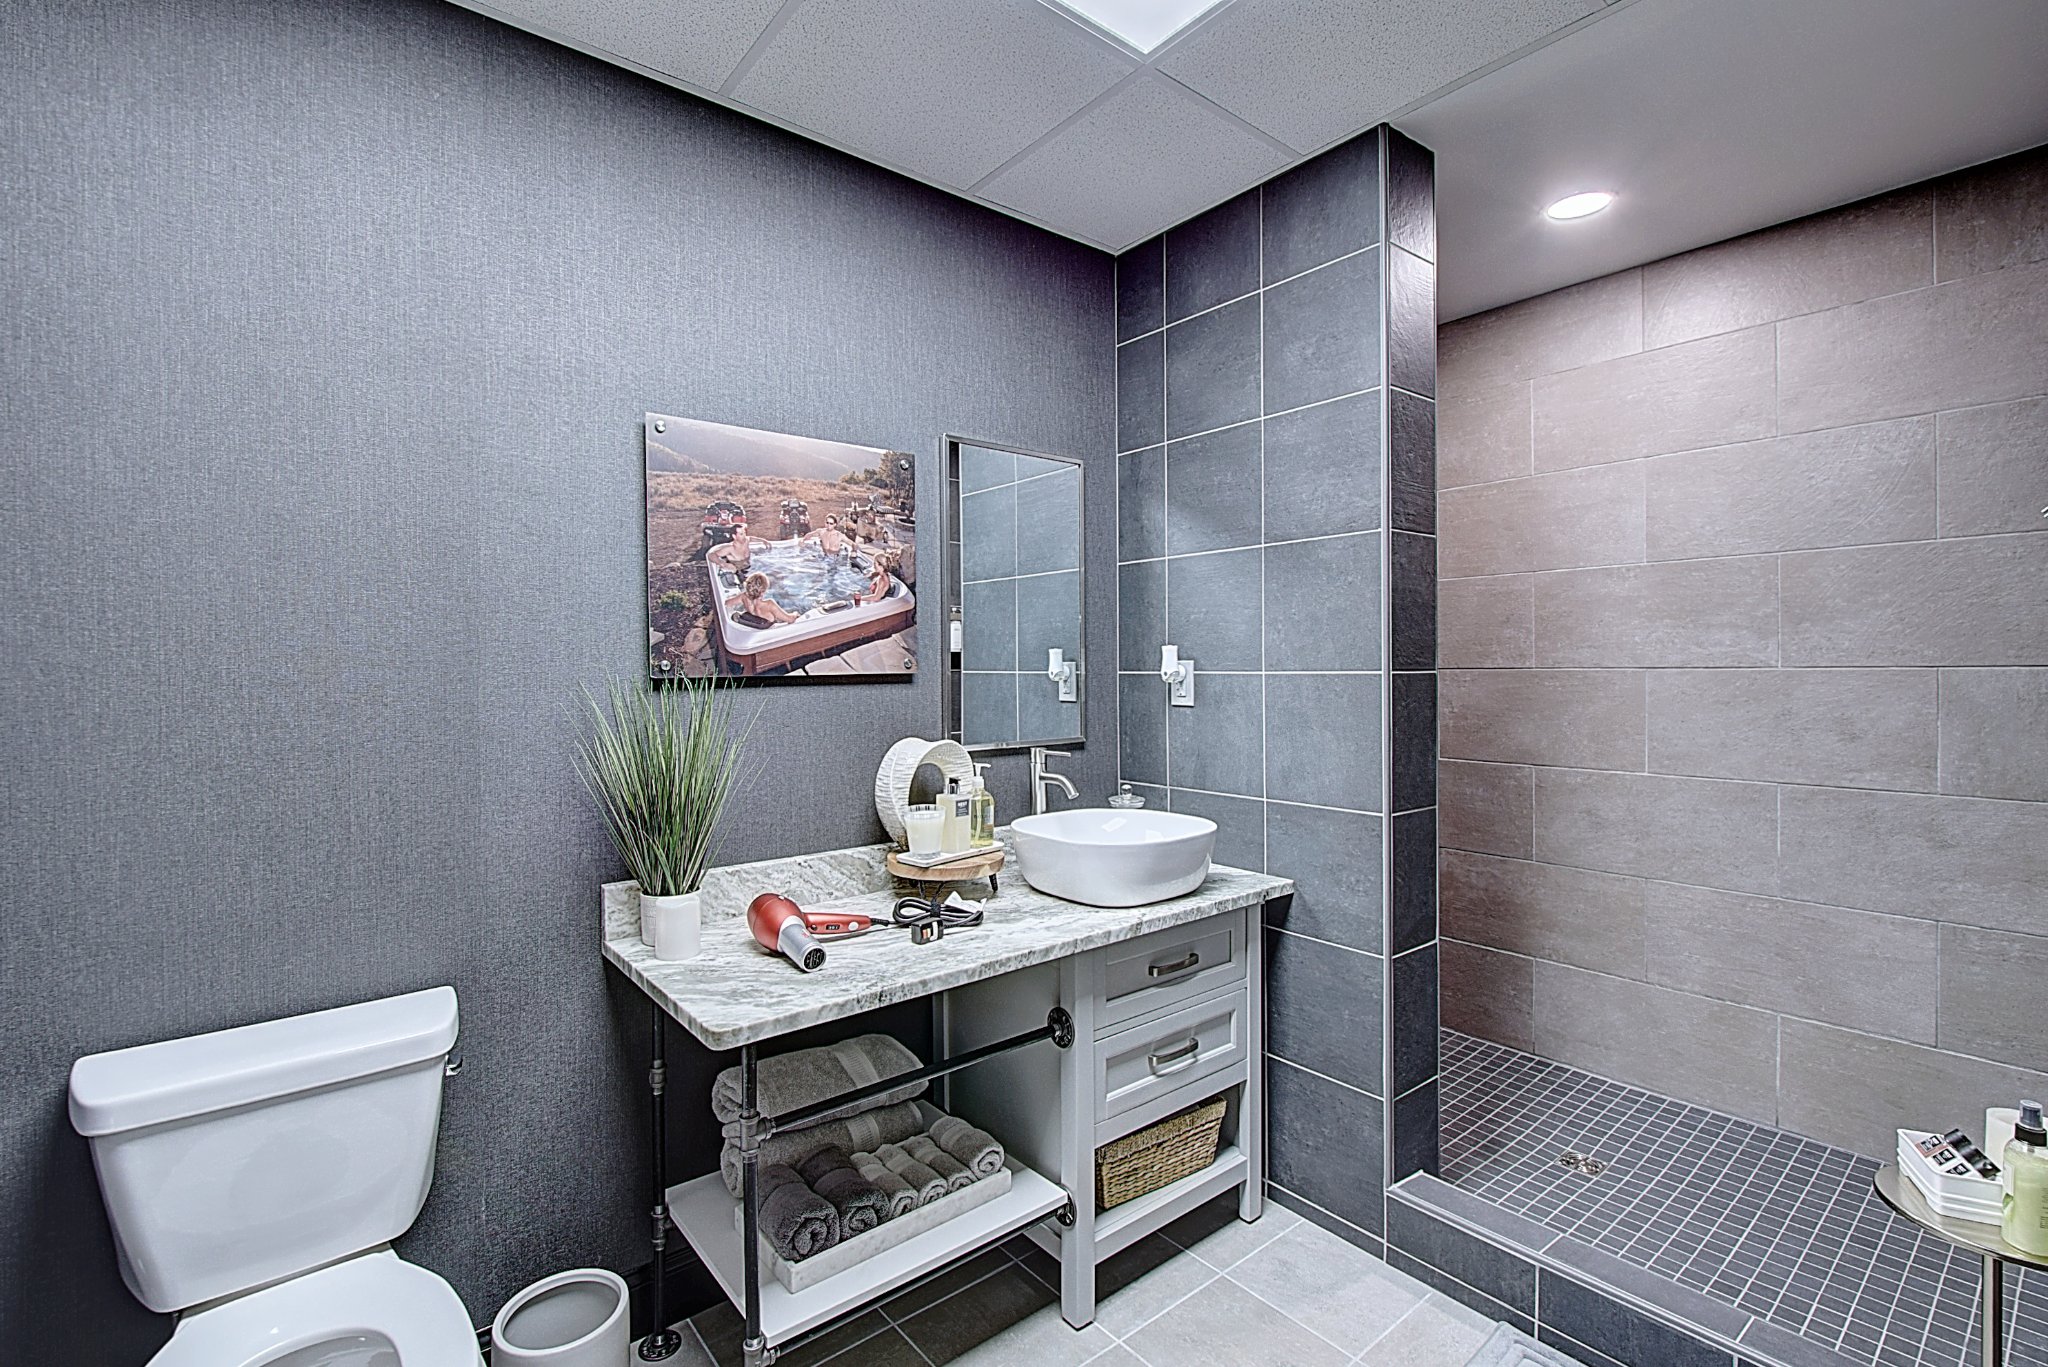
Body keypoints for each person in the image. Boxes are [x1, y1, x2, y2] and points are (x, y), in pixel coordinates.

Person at [727, 571, 798, 625]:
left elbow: (727, 603)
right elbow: (790, 620)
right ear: (763, 591)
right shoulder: (769, 605)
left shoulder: (744, 596)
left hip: (754, 624)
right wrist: (795, 614)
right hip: (768, 632)